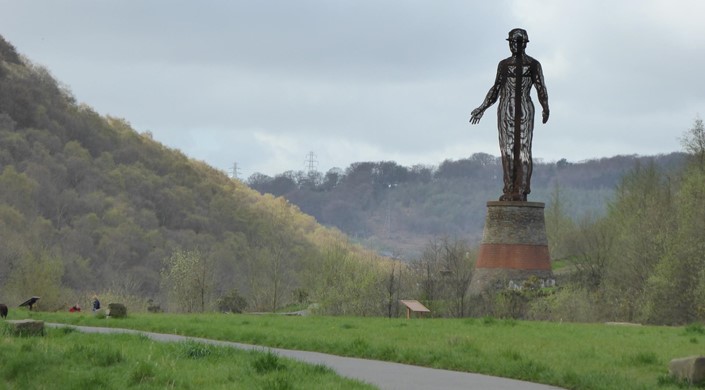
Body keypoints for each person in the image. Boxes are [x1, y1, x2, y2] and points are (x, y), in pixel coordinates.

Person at [470, 28, 549, 201]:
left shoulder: (534, 64)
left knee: (523, 149)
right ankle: (509, 189)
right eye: (512, 42)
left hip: (524, 109)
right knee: (507, 150)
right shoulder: (504, 65)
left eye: (519, 42)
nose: (515, 46)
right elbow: (496, 89)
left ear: (525, 44)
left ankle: (521, 190)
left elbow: (541, 87)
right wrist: (482, 107)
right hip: (506, 109)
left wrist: (545, 106)